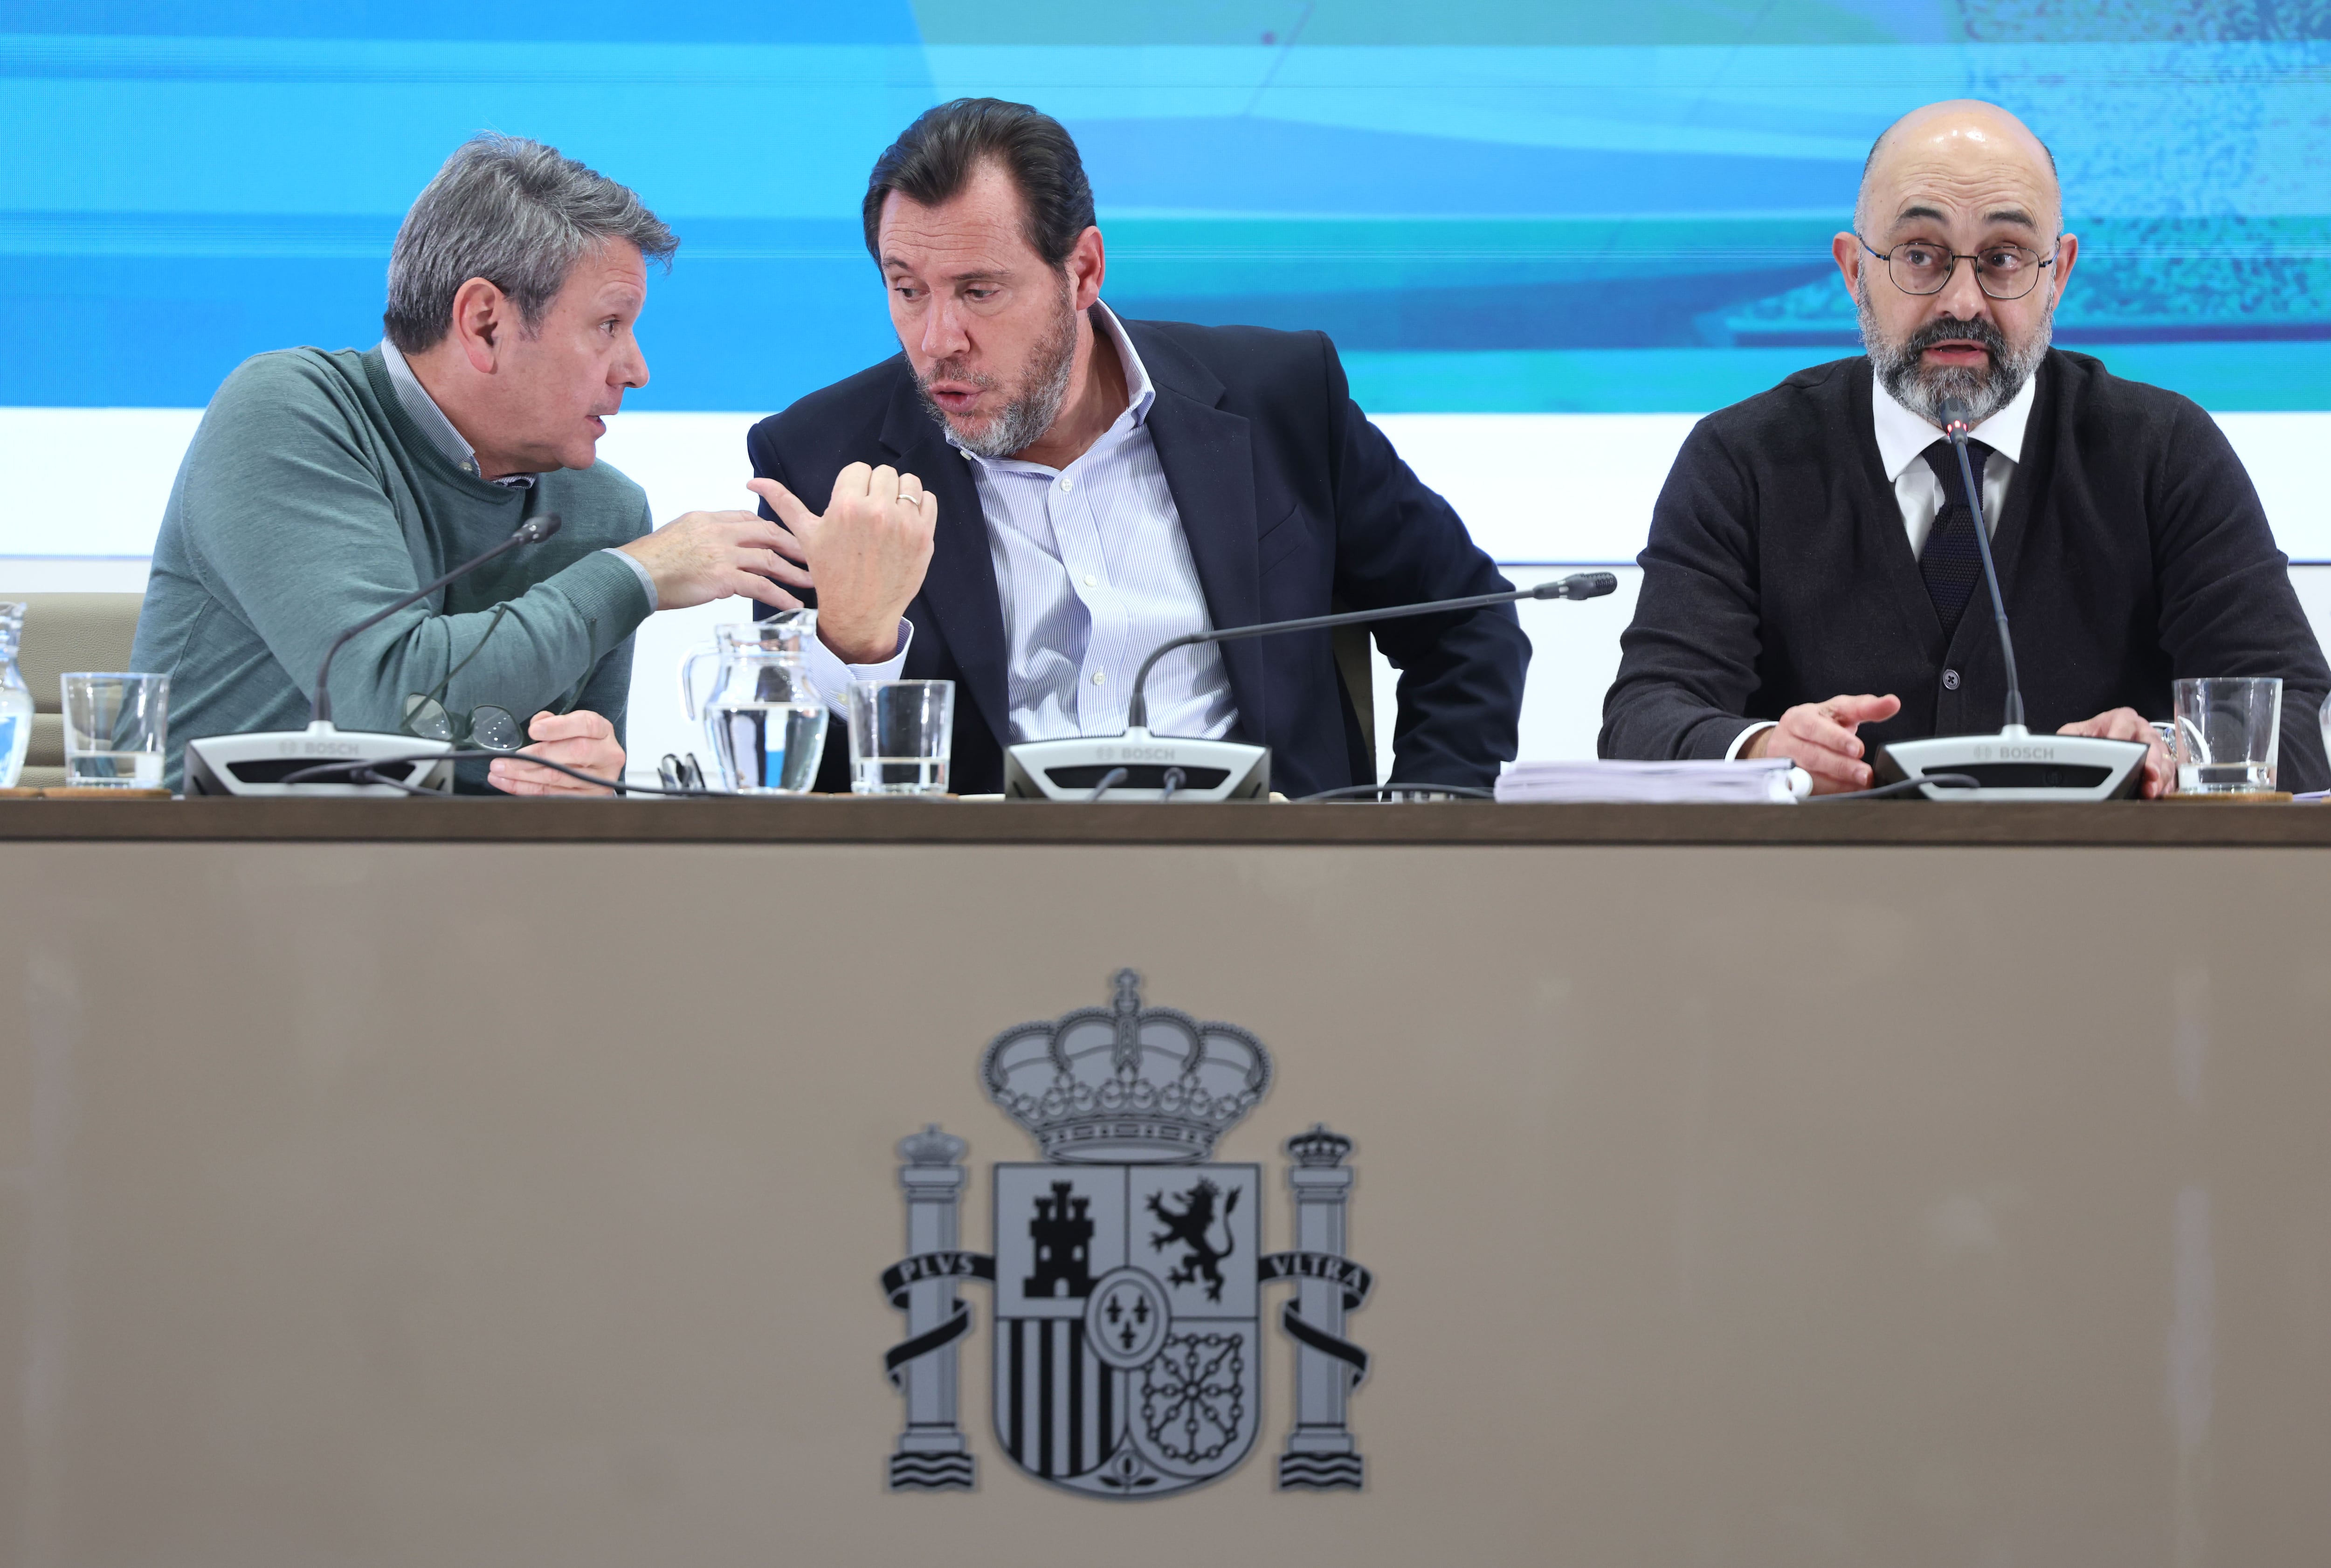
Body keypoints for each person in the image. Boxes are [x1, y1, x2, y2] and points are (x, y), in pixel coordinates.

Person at [743, 98, 1529, 799]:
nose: (938, 340)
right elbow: (795, 805)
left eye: (979, 291)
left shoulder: (1278, 397)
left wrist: (1421, 829)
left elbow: (1466, 624)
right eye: (907, 289)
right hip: (982, 917)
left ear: (1082, 271)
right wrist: (859, 644)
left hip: (1276, 899)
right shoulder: (819, 463)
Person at [1600, 100, 2331, 796]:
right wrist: (1765, 751)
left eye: (2005, 257)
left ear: (2059, 275)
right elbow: (1645, 718)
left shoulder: (2164, 451)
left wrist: (2172, 749)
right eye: (1921, 255)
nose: (1962, 302)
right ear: (1855, 271)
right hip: (1817, 911)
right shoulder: (1742, 460)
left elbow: (2294, 710)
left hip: (2106, 906)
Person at [132, 134, 807, 792]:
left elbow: (568, 814)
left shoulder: (603, 509)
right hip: (213, 884)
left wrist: (590, 793)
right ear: (486, 322)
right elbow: (388, 696)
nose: (637, 370)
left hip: (460, 898)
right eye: (609, 326)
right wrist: (637, 575)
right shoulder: (288, 412)